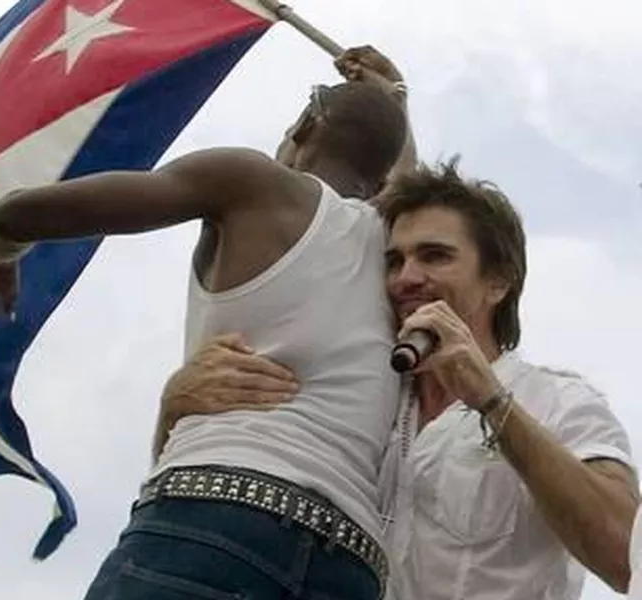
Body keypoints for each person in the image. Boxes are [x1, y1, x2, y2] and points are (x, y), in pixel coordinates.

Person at [0, 77, 410, 600]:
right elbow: (412, 178)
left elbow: (24, 212)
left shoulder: (253, 183)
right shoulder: (406, 259)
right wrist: (395, 99)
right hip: (351, 568)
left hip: (217, 519)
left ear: (304, 125)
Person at [161, 159, 640, 599]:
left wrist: (493, 403)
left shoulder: (559, 401)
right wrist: (176, 405)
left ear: (499, 281)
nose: (406, 277)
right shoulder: (356, 391)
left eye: (435, 256)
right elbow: (181, 477)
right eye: (395, 260)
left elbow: (624, 556)